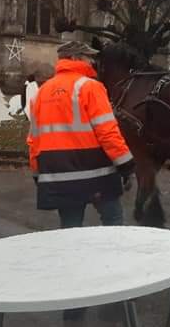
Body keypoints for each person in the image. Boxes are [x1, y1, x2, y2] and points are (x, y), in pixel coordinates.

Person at [28, 40, 136, 230]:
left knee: (71, 229)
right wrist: (126, 166)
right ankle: (114, 259)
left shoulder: (41, 92)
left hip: (59, 173)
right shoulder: (90, 87)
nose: (92, 62)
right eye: (88, 57)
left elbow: (34, 140)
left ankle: (75, 259)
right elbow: (107, 132)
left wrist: (38, 173)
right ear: (76, 58)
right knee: (113, 223)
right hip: (96, 171)